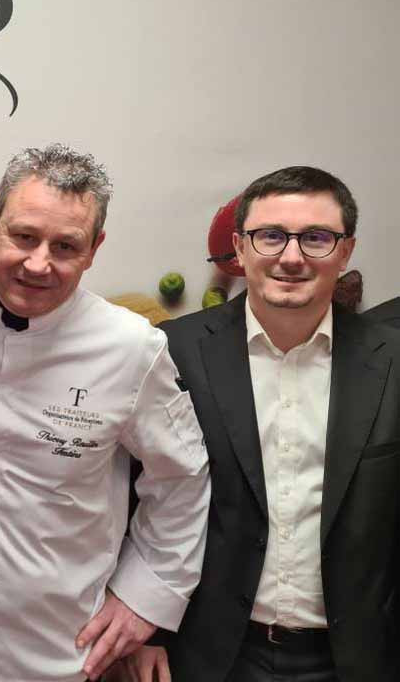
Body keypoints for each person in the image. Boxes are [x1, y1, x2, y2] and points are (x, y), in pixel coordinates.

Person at [0, 145, 211, 682]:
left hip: (59, 652)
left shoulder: (131, 346)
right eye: (24, 236)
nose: (39, 264)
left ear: (94, 249)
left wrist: (145, 598)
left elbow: (182, 479)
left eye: (65, 246)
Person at [124, 166, 400, 681]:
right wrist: (146, 627)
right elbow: (136, 496)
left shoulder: (393, 361)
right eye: (270, 236)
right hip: (207, 654)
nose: (291, 257)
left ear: (345, 252)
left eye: (316, 238)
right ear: (239, 247)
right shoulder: (175, 350)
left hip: (358, 658)